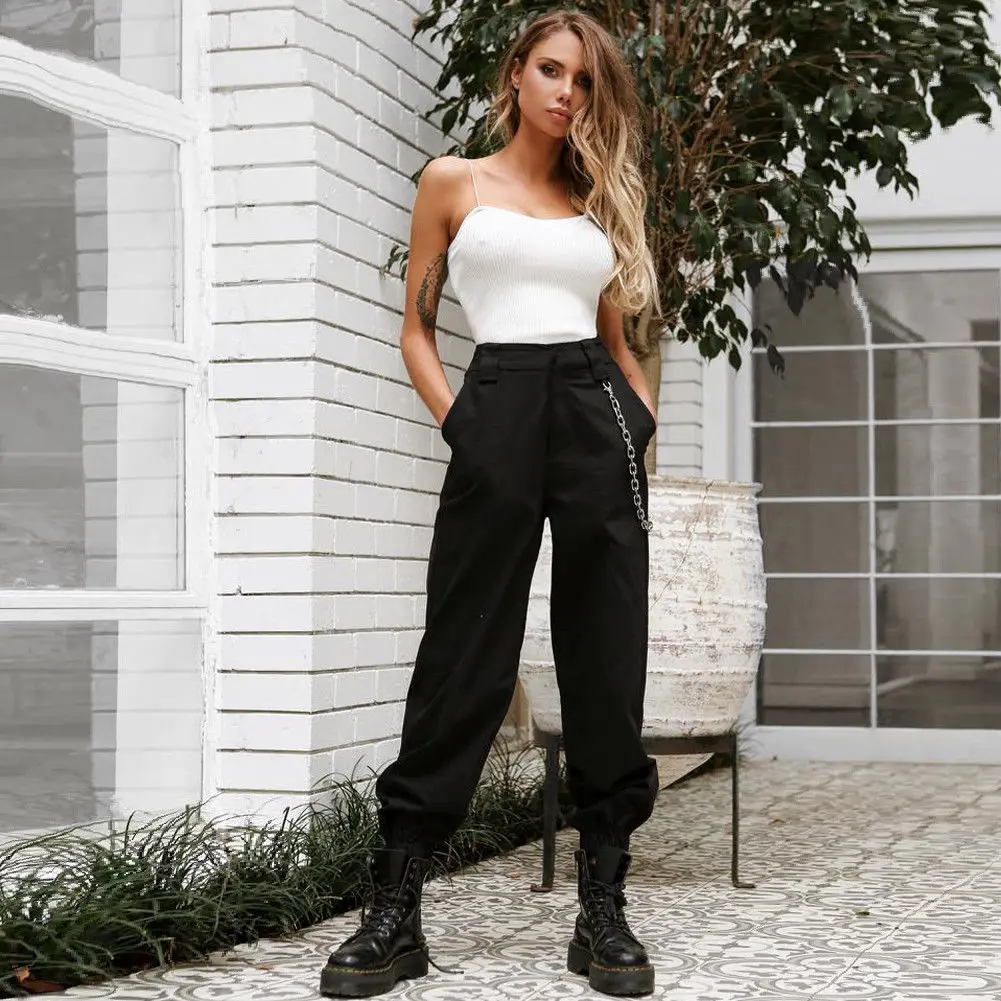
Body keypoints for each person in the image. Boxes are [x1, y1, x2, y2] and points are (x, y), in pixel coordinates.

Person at [319, 9, 661, 998]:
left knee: (606, 652)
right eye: (551, 70)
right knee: (462, 650)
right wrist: (461, 424)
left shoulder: (594, 200)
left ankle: (602, 906)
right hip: (498, 403)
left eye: (584, 81)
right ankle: (396, 910)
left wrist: (635, 426)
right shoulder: (452, 181)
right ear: (514, 73)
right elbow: (416, 329)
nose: (567, 93)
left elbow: (617, 341)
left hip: (594, 408)